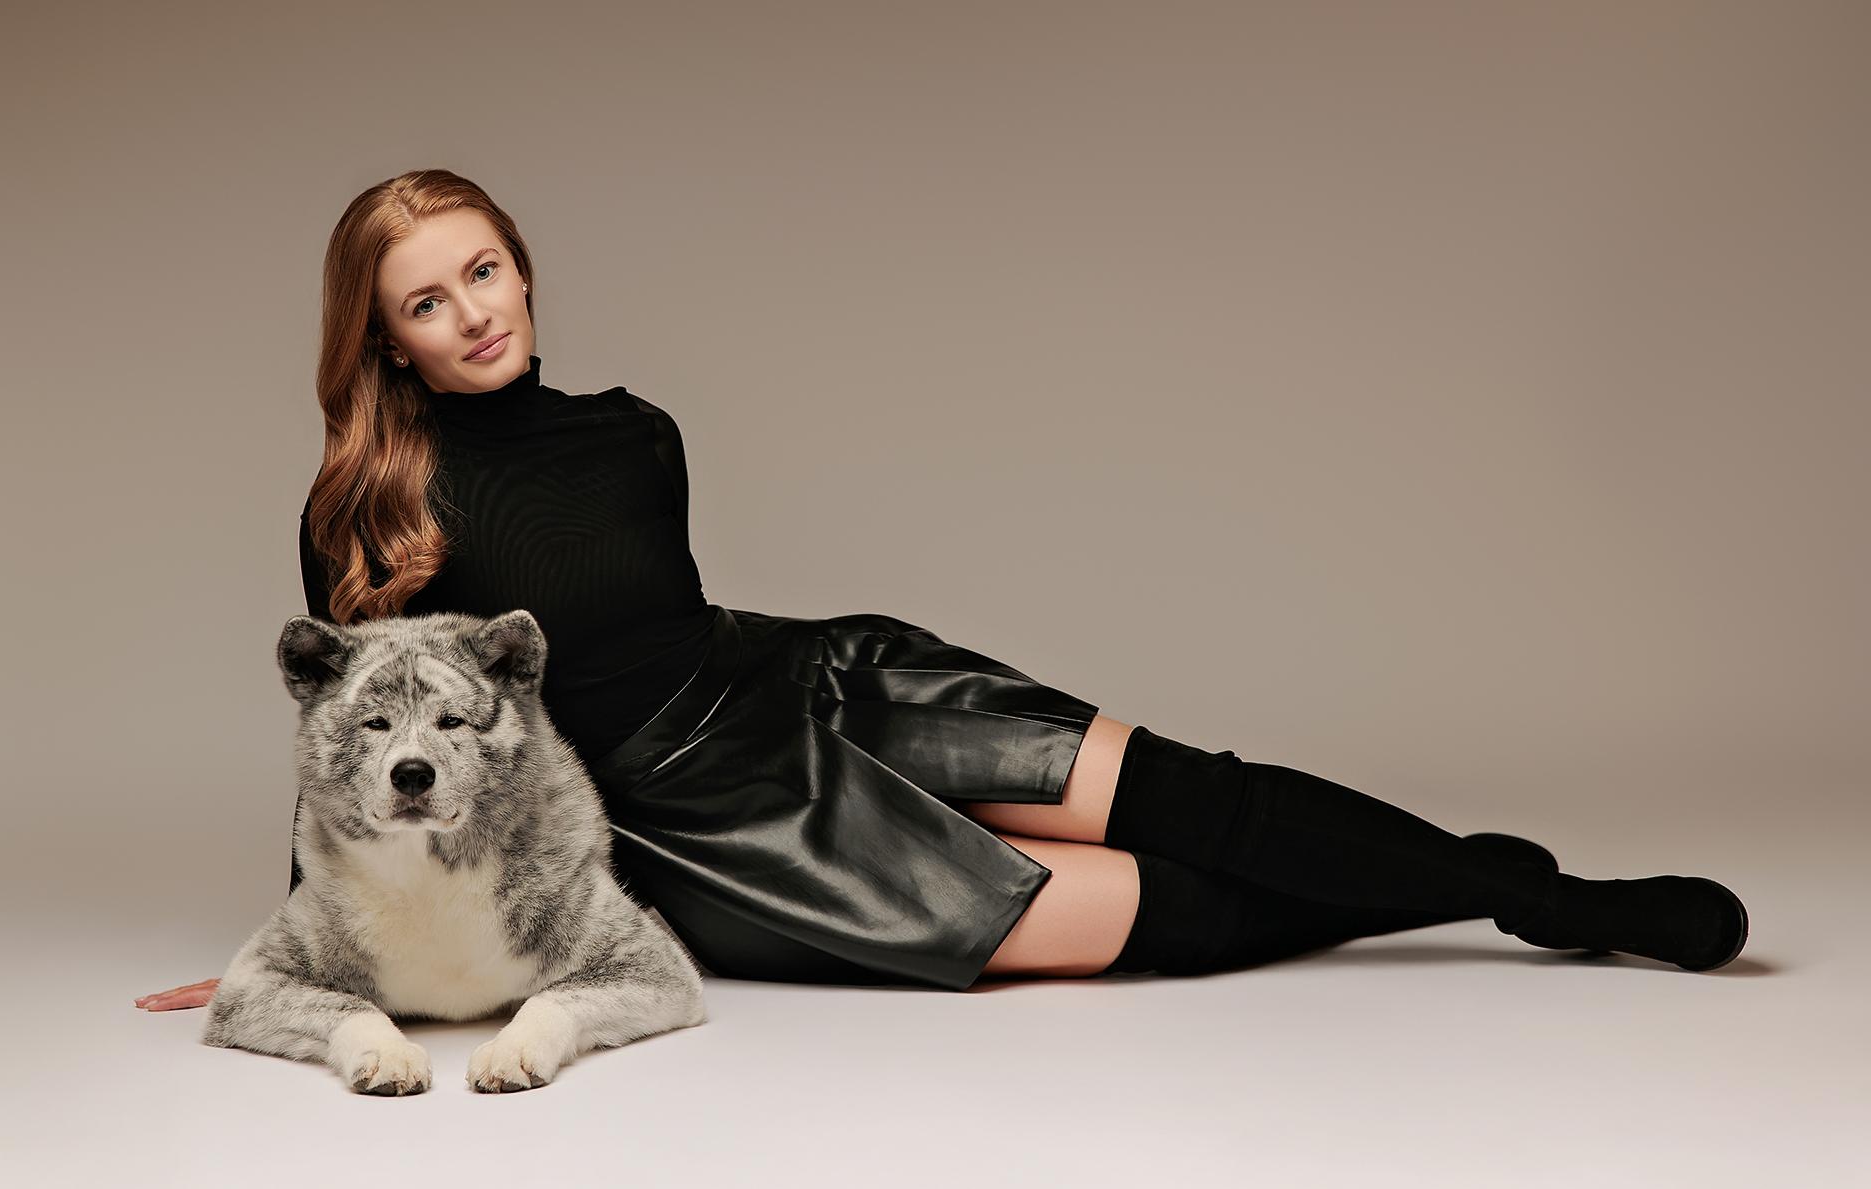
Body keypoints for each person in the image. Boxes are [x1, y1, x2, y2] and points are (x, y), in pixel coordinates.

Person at [134, 169, 1747, 1011]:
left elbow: (668, 619)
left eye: (484, 268)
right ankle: (1467, 889)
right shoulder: (373, 508)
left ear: (523, 266)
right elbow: (353, 748)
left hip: (802, 675)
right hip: (710, 821)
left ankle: (1538, 896)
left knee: (1191, 788)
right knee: (1153, 914)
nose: (473, 312)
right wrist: (304, 938)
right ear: (385, 336)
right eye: (428, 299)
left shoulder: (638, 432)